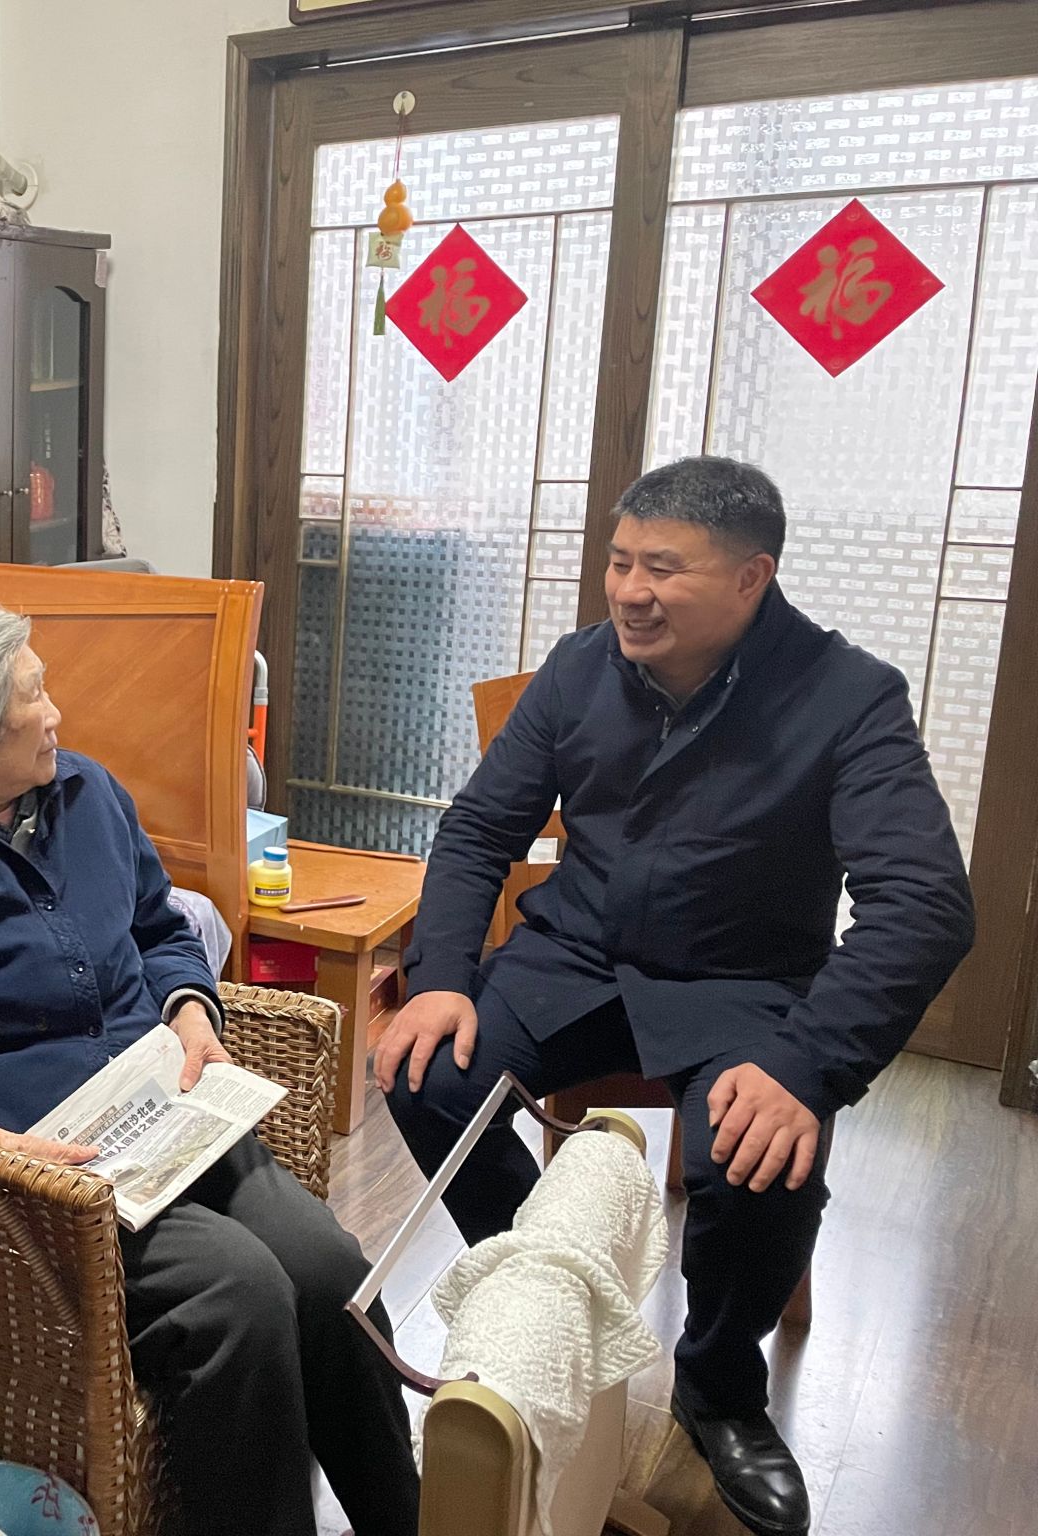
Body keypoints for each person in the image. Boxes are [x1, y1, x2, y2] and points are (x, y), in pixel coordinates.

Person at [378, 456, 975, 1536]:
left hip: (742, 981)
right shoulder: (580, 668)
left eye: (662, 568)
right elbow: (476, 830)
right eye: (618, 563)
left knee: (756, 1157)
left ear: (751, 577)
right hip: (576, 956)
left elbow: (926, 905)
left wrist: (804, 1066)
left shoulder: (848, 697)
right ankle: (551, 1290)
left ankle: (718, 1384)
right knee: (428, 1075)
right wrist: (441, 978)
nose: (628, 591)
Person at [0, 599, 421, 1536]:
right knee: (238, 1292)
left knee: (329, 1268)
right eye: (33, 696)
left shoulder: (88, 792)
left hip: (166, 1110)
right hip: (48, 1164)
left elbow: (162, 925)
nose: (56, 715)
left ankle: (407, 1517)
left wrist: (191, 1010)